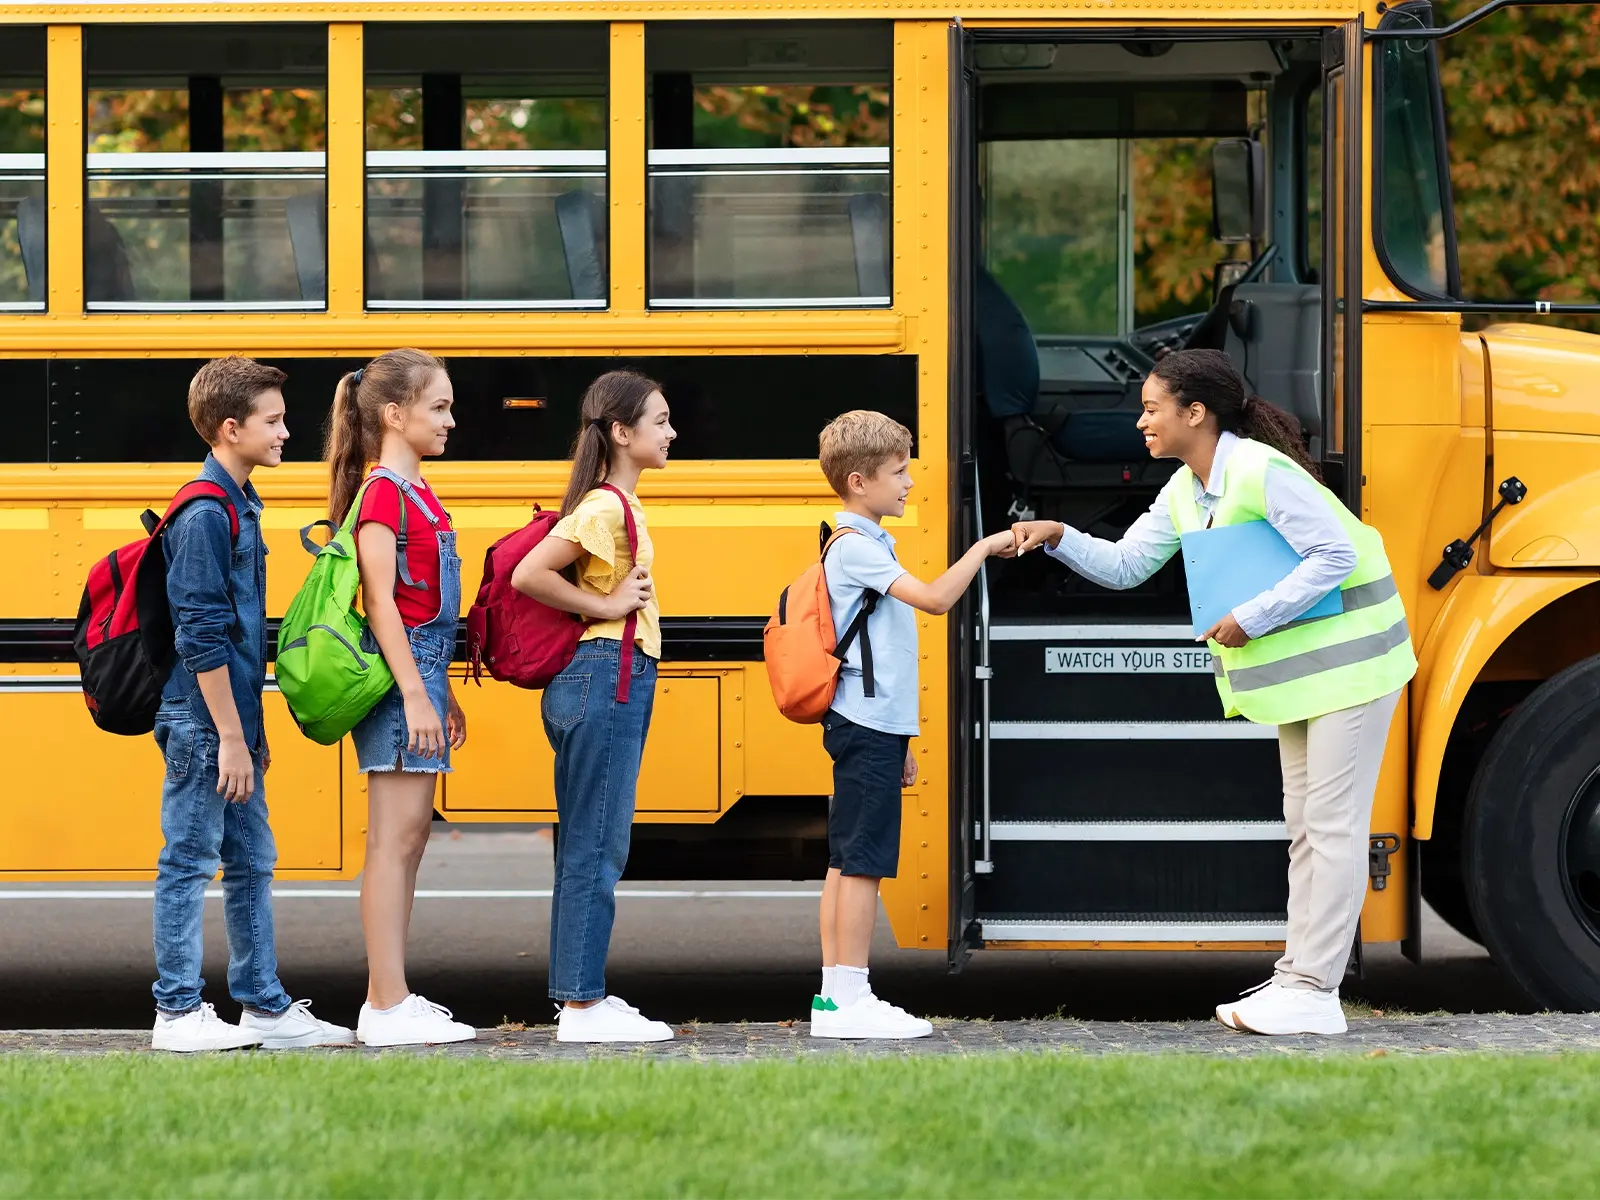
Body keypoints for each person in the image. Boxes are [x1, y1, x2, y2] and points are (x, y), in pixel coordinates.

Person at [1012, 349, 1417, 1037]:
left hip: (1354, 665)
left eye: (1151, 408)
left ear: (1194, 413)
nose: (1140, 421)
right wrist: (1058, 537)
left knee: (1332, 827)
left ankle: (1316, 991)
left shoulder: (1261, 471)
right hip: (1304, 675)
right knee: (1305, 831)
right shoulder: (1186, 490)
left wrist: (1249, 618)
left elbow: (1336, 556)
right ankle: (1299, 978)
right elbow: (1127, 566)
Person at [152, 357, 353, 1052]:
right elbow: (202, 637)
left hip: (230, 720)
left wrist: (248, 730)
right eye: (273, 421)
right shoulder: (207, 513)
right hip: (205, 723)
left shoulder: (238, 503)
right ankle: (177, 1013)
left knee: (251, 860)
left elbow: (238, 640)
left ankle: (263, 1005)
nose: (287, 432)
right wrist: (232, 739)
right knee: (188, 859)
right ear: (230, 428)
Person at [810, 411, 1017, 1039]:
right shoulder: (856, 547)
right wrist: (984, 547)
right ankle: (850, 998)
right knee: (863, 862)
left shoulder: (860, 542)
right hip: (866, 721)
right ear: (857, 481)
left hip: (869, 722)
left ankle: (833, 996)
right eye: (898, 472)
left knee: (846, 861)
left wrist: (901, 738)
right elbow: (932, 599)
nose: (908, 483)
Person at [510, 370, 675, 1043]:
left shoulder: (616, 504)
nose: (671, 432)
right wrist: (605, 607)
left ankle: (581, 997)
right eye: (660, 421)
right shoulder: (604, 508)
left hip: (613, 677)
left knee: (596, 841)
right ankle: (581, 1005)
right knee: (594, 845)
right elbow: (530, 574)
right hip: (606, 675)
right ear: (620, 431)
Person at [327, 348, 475, 1047]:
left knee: (410, 840)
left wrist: (440, 692)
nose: (449, 420)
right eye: (437, 407)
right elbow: (380, 602)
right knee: (393, 841)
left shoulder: (415, 492)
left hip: (423, 670)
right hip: (401, 674)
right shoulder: (384, 491)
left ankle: (390, 996)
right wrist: (416, 694)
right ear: (395, 414)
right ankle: (385, 1004)